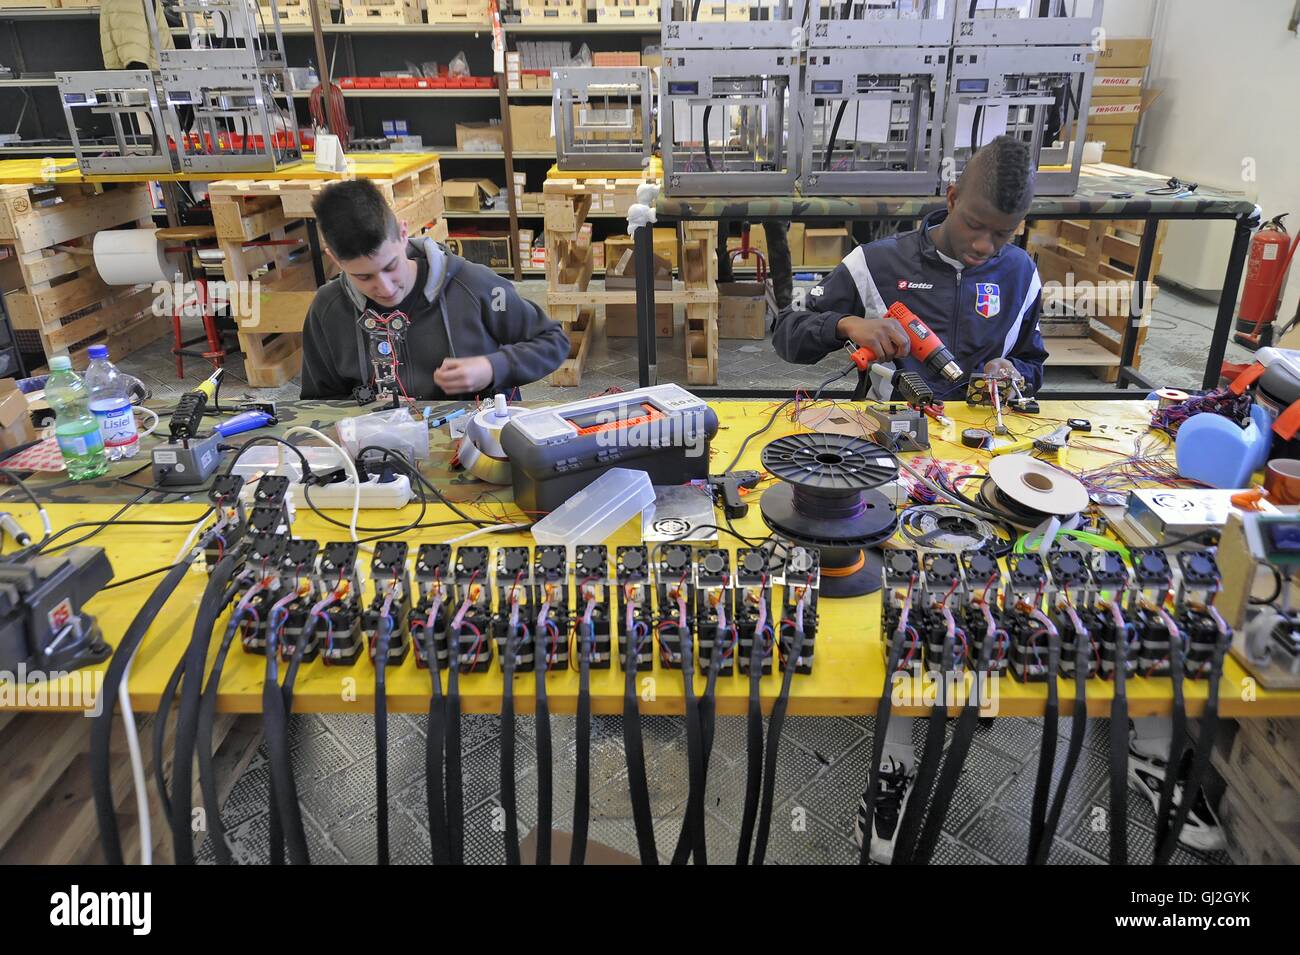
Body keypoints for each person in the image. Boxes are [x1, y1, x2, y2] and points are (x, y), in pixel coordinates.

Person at [773, 134, 1049, 400]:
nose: (984, 245)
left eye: (1002, 234)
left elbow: (1032, 363)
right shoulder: (875, 264)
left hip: (982, 435)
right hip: (889, 434)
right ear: (952, 199)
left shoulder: (1021, 274)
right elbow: (787, 332)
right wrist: (847, 325)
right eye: (974, 225)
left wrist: (1014, 374)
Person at [299, 179, 568, 401]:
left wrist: (492, 367)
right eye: (363, 276)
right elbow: (319, 403)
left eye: (391, 266)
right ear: (334, 259)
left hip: (474, 445)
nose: (384, 287)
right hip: (377, 447)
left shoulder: (474, 285)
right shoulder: (327, 310)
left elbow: (553, 341)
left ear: (403, 233)